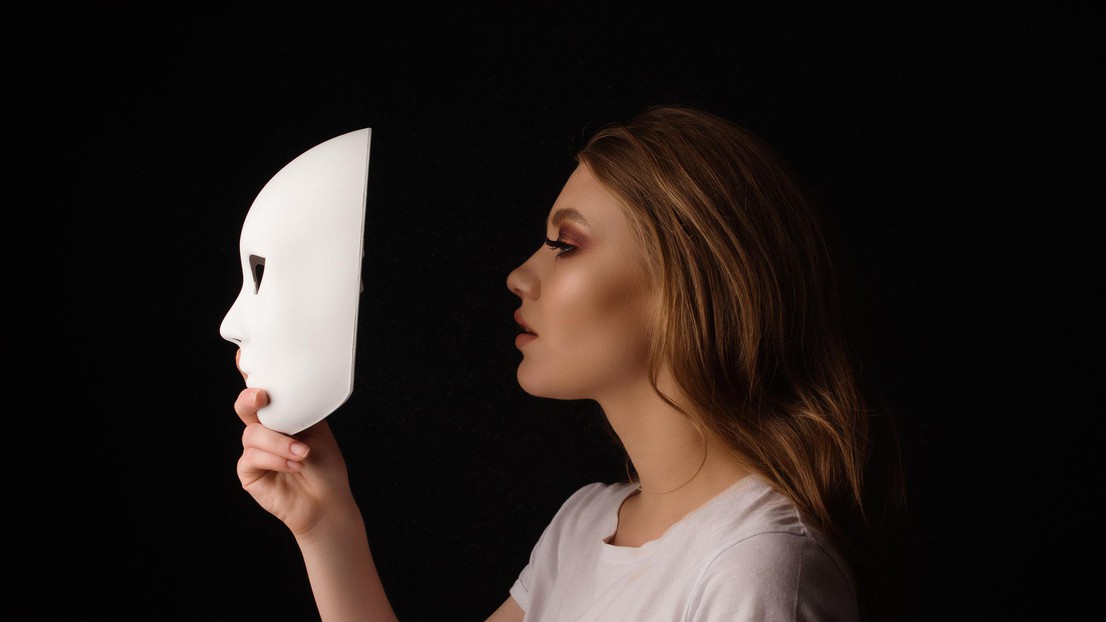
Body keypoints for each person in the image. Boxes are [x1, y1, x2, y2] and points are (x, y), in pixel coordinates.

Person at [231, 105, 906, 621]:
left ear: (690, 285)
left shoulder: (756, 573)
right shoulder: (583, 528)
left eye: (565, 245)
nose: (519, 277)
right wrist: (326, 523)